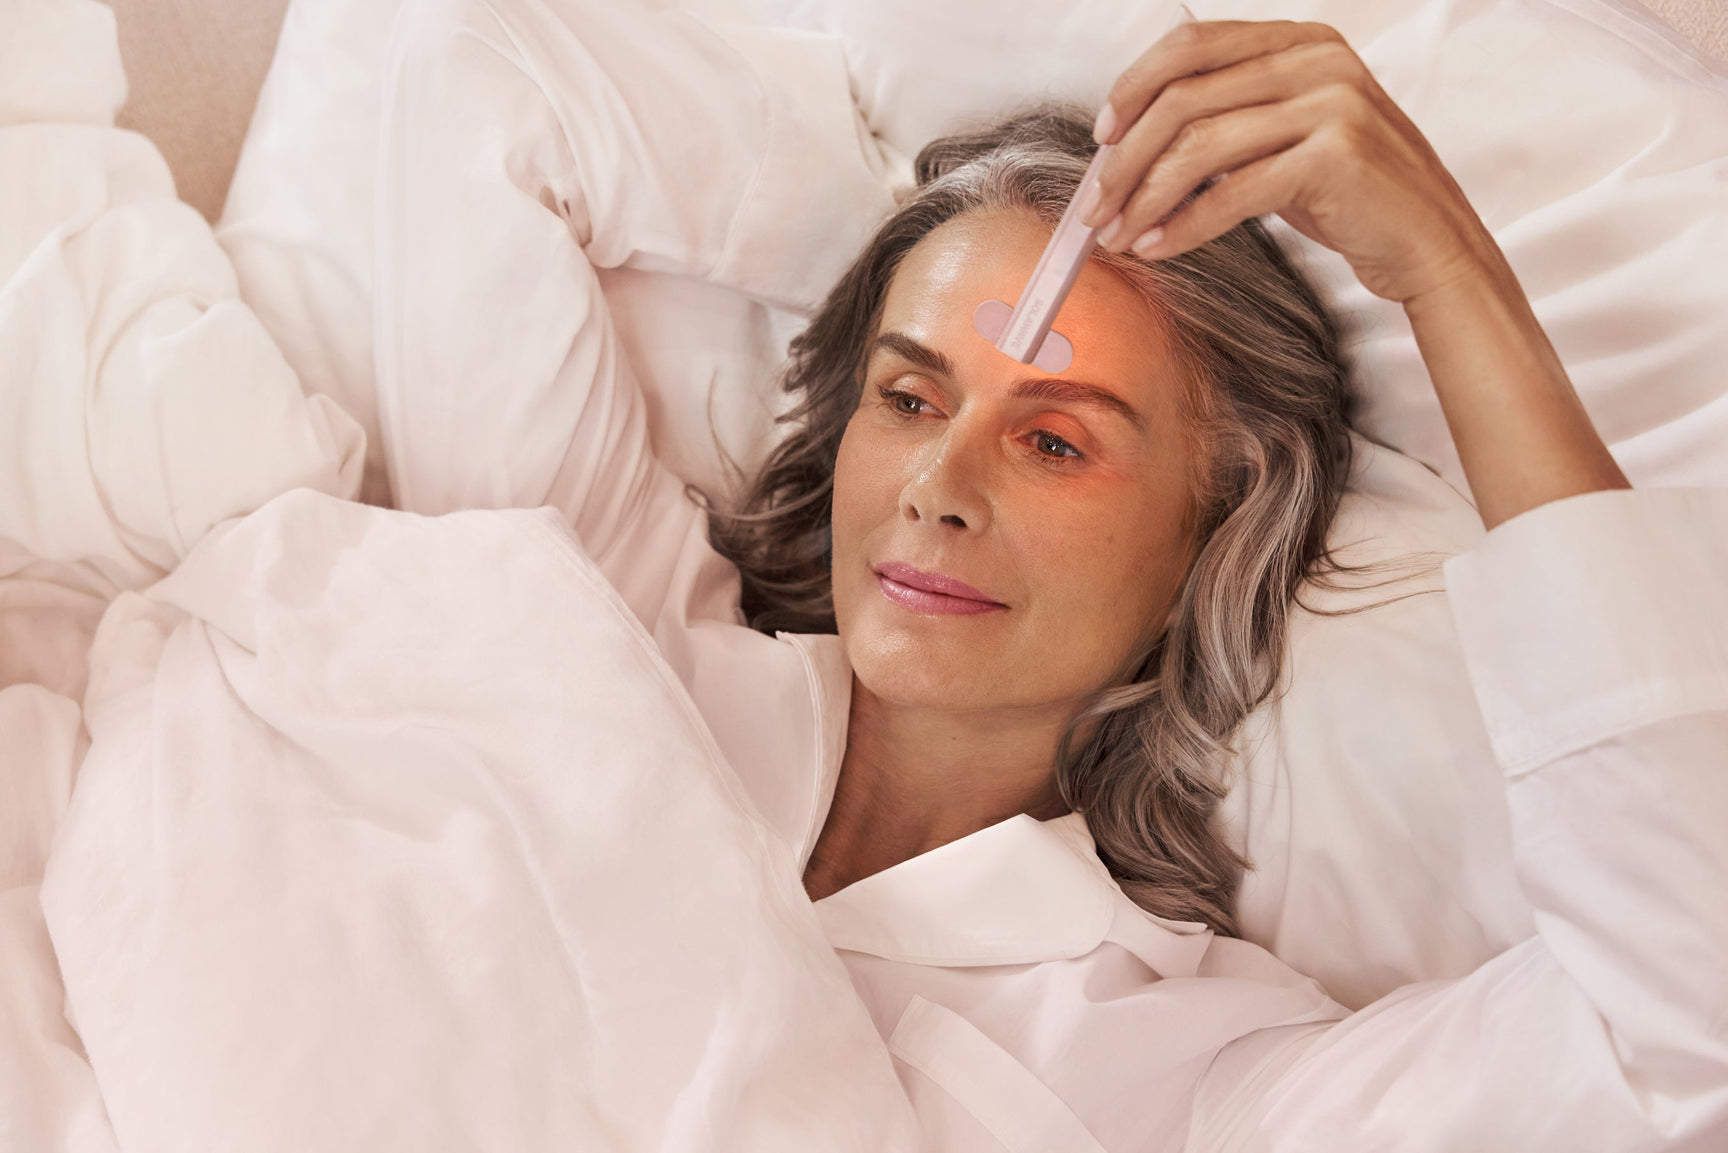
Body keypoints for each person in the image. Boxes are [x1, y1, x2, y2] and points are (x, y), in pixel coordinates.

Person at [368, 0, 1728, 1148]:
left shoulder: (1188, 1068)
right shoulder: (605, 630)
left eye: (1056, 439)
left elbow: (1684, 1032)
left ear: (1213, 529)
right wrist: (893, 222)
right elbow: (468, 62)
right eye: (908, 395)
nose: (940, 486)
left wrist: (1442, 267)